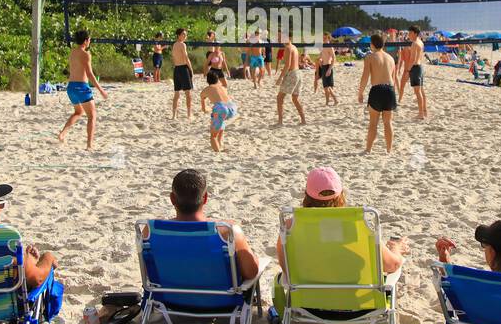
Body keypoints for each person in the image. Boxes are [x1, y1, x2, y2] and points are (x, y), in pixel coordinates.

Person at [276, 167, 408, 275]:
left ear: (307, 194)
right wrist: (396, 249)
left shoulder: (290, 227)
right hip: (358, 305)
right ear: (341, 195)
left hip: (306, 305)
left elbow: (287, 269)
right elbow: (392, 265)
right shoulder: (357, 225)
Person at [145, 169, 258, 280]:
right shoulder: (227, 231)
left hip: (165, 298)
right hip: (220, 298)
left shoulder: (151, 230)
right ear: (205, 198)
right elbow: (251, 272)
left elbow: (148, 273)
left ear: (172, 199)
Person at [57, 30, 107, 148]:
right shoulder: (86, 54)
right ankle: (89, 145)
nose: (90, 41)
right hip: (81, 87)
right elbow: (89, 74)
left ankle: (62, 134)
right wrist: (101, 90)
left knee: (78, 112)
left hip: (71, 87)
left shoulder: (73, 52)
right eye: (89, 39)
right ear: (85, 41)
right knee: (92, 115)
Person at [358, 31, 397, 153]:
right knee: (388, 122)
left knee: (373, 123)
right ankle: (389, 150)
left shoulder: (370, 57)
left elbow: (365, 77)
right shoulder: (390, 58)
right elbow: (394, 78)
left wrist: (360, 92)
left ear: (373, 44)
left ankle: (368, 149)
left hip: (377, 89)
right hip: (390, 90)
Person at [396, 26, 428, 120]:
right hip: (420, 67)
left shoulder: (414, 44)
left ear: (414, 33)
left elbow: (413, 59)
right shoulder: (421, 42)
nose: (408, 35)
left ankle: (421, 113)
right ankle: (424, 111)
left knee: (418, 92)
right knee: (421, 91)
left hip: (415, 68)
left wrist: (407, 70)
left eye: (410, 33)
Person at [275, 30, 306, 125]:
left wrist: (280, 78)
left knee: (280, 98)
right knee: (295, 98)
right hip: (298, 74)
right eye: (279, 37)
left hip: (292, 74)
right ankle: (303, 120)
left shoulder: (288, 48)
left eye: (281, 37)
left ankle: (280, 122)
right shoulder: (294, 47)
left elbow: (287, 65)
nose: (279, 39)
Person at [171, 28, 194, 119]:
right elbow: (186, 57)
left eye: (185, 35)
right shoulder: (182, 45)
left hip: (176, 69)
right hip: (183, 69)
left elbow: (173, 58)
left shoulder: (174, 45)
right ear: (179, 35)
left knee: (177, 93)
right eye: (183, 34)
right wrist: (191, 68)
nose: (185, 36)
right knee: (188, 93)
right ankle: (189, 115)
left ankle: (174, 115)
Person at [315, 32, 338, 105]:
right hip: (323, 66)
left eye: (325, 38)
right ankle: (327, 102)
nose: (323, 39)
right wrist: (320, 60)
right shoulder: (323, 46)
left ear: (328, 38)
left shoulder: (330, 46)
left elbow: (334, 58)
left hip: (328, 66)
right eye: (323, 37)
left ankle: (335, 99)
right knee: (325, 87)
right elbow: (322, 55)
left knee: (328, 86)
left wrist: (329, 69)